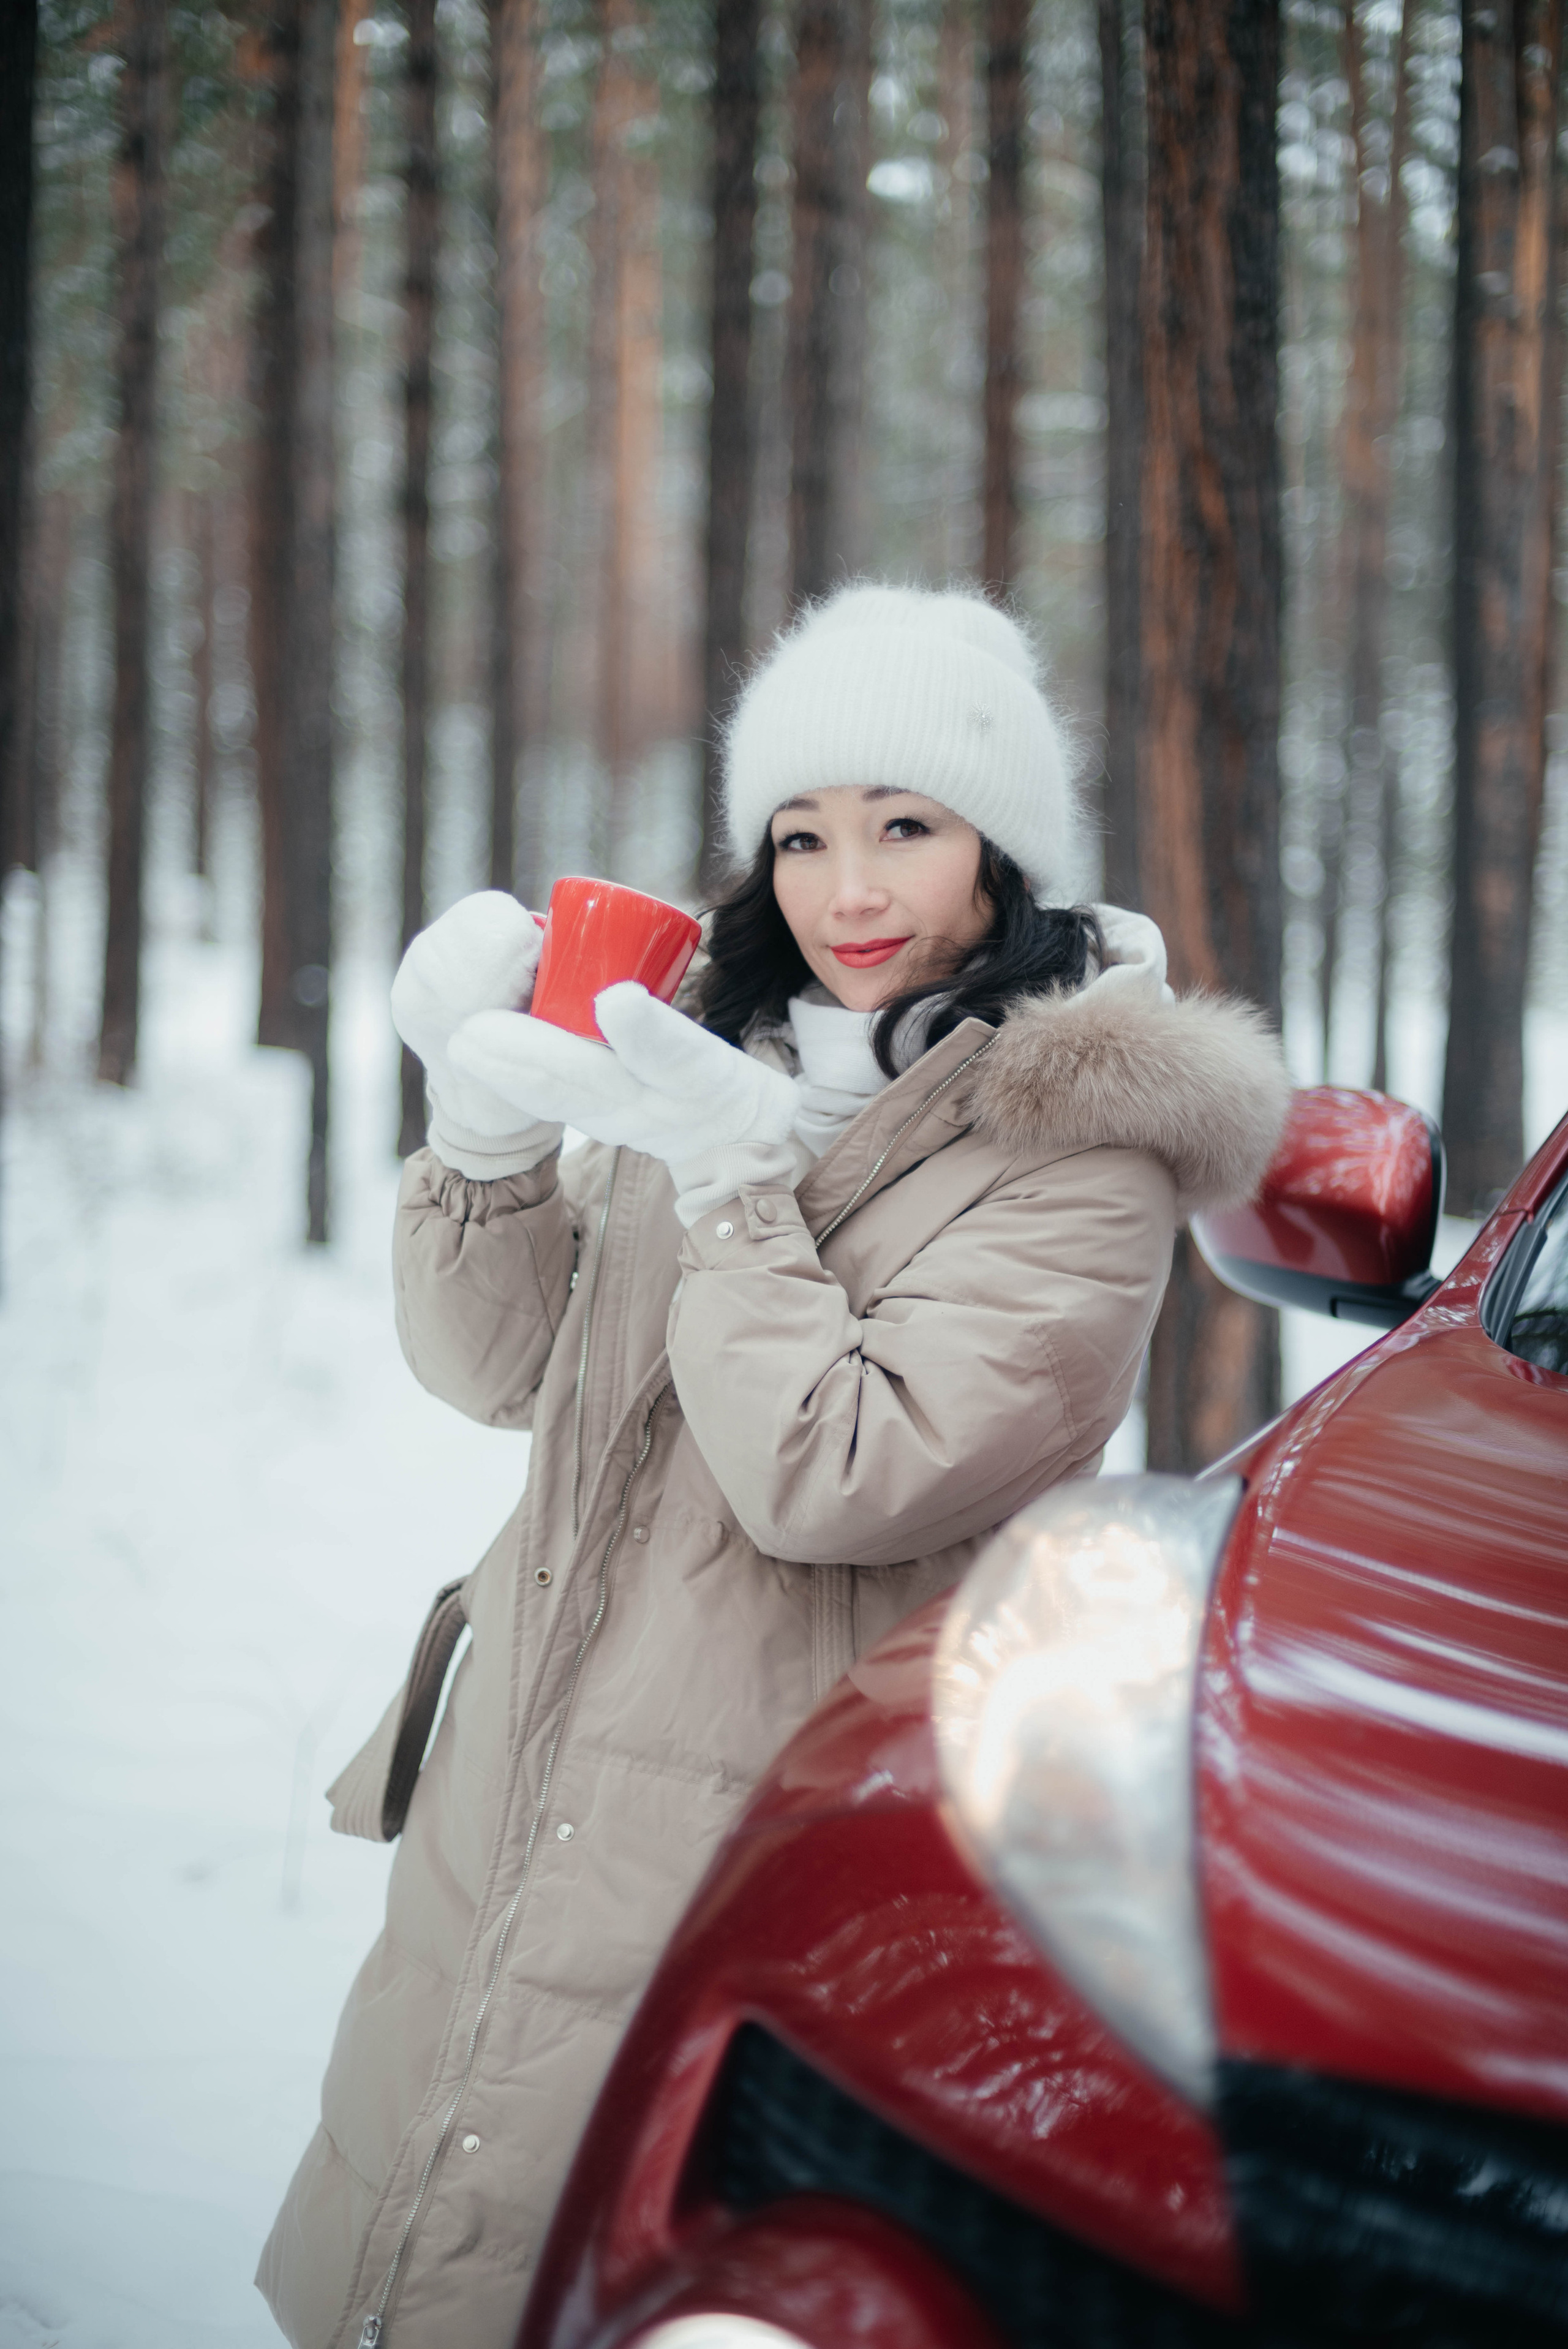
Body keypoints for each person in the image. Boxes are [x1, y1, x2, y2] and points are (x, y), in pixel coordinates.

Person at [259, 584, 1289, 2349]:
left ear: (1003, 851)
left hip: (764, 1840)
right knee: (414, 2254)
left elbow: (838, 1472)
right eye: (801, 835)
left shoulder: (1080, 1151)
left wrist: (736, 1189)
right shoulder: (712, 1042)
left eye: (906, 824)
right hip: (524, 1793)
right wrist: (488, 1140)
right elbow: (499, 1366)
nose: (850, 888)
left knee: (626, 2286)